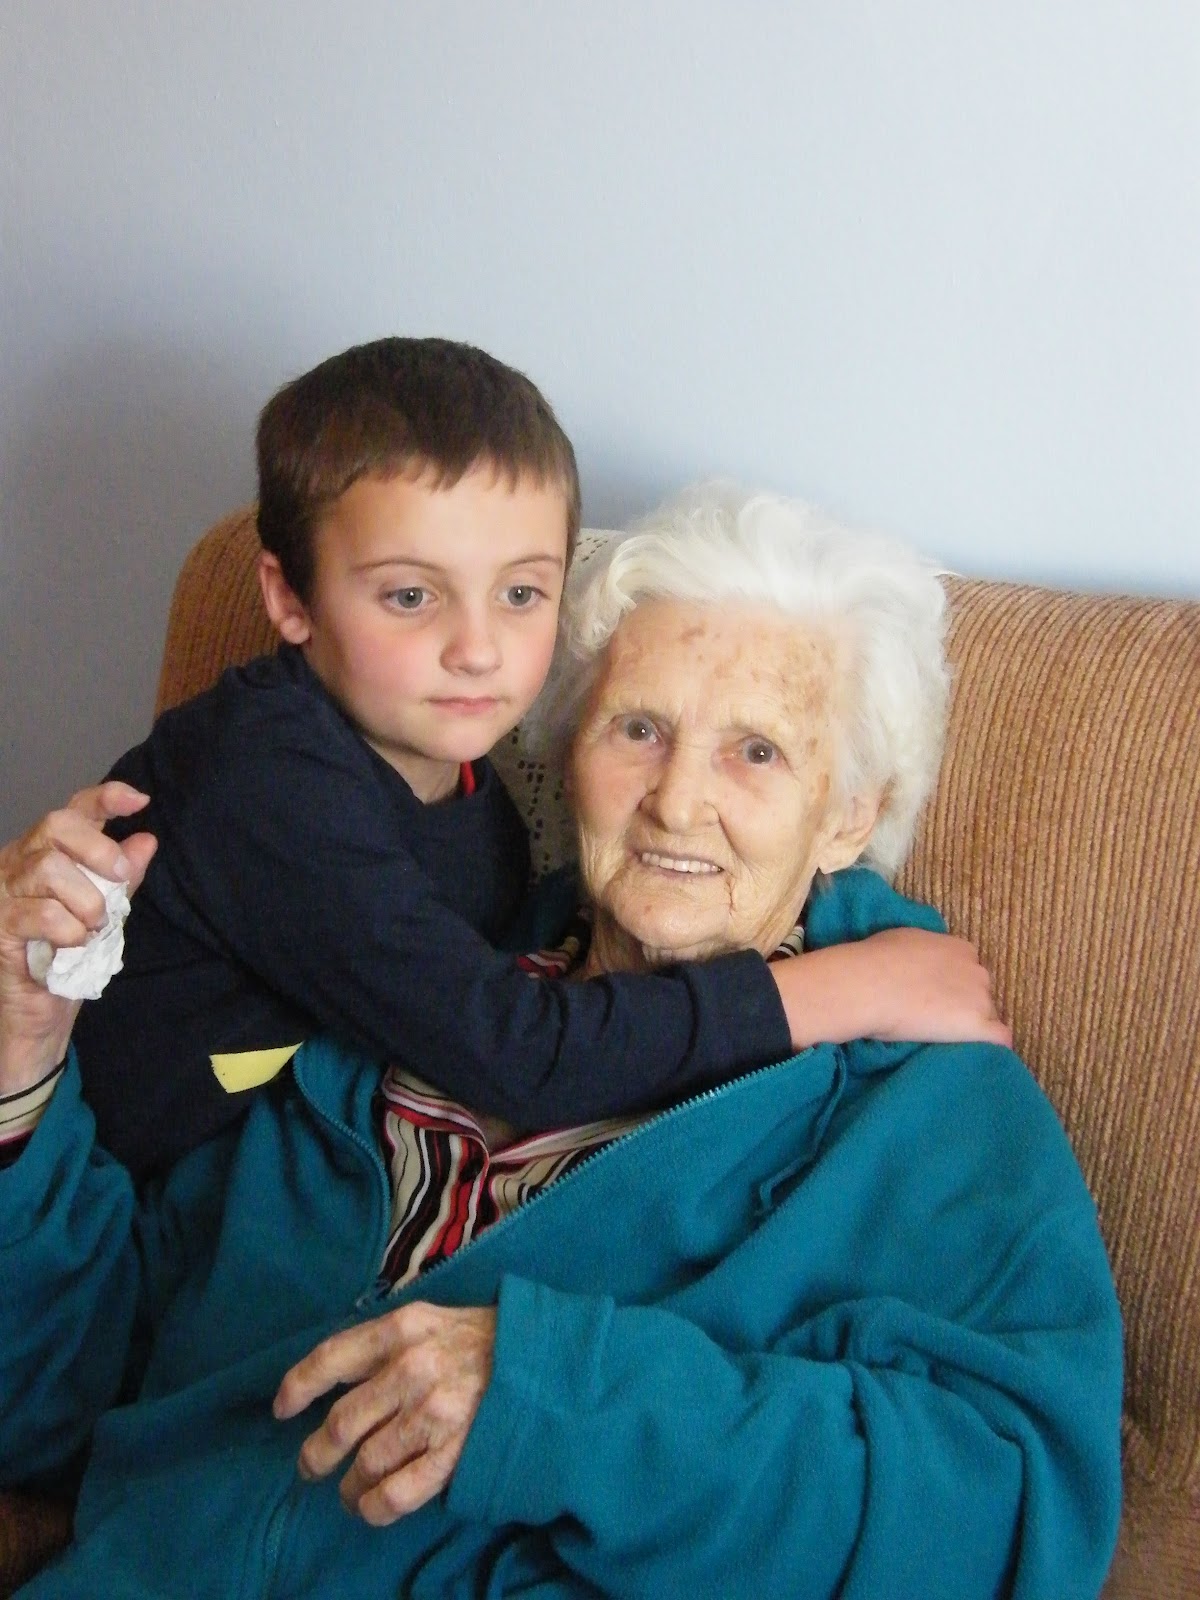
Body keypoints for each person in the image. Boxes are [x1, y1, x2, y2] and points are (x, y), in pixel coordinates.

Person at [0, 487, 1121, 1599]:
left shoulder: (923, 1103)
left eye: (757, 752)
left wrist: (556, 1396)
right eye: (639, 729)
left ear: (849, 816)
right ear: (568, 747)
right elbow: (52, 1400)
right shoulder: (412, 981)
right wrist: (23, 1050)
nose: (676, 801)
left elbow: (1008, 1519)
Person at [62, 336, 1007, 1178]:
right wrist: (835, 990)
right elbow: (521, 1056)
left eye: (520, 594)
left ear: (852, 813)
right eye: (410, 597)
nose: (477, 650)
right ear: (289, 599)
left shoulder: (483, 818)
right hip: (77, 1210)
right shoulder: (268, 780)